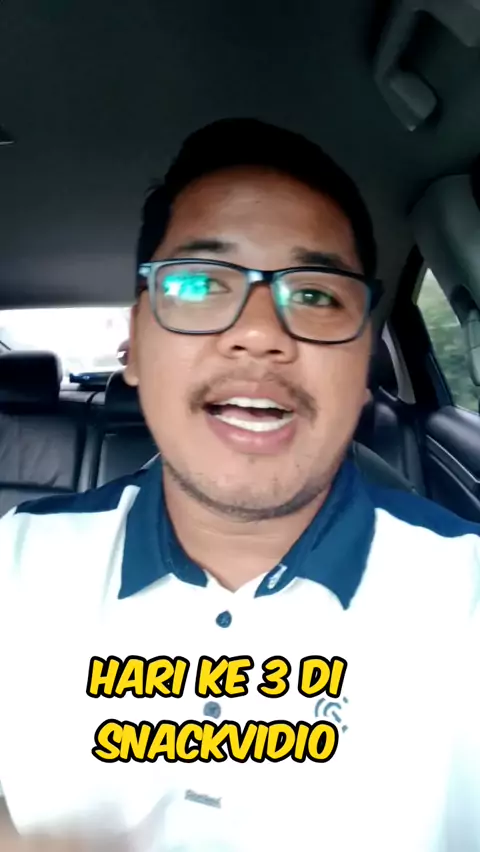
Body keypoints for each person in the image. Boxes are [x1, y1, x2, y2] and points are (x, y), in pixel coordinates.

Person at [0, 118, 479, 852]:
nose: (259, 333)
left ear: (362, 367)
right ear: (134, 344)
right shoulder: (14, 564)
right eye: (198, 283)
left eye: (315, 294)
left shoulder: (465, 592)